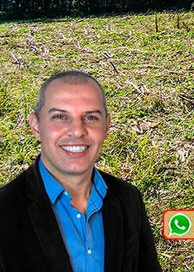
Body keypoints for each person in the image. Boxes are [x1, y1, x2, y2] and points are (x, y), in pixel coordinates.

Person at [0, 70, 162, 272]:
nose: (77, 131)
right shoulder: (4, 210)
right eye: (60, 116)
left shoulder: (129, 199)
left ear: (106, 126)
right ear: (36, 125)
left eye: (91, 117)